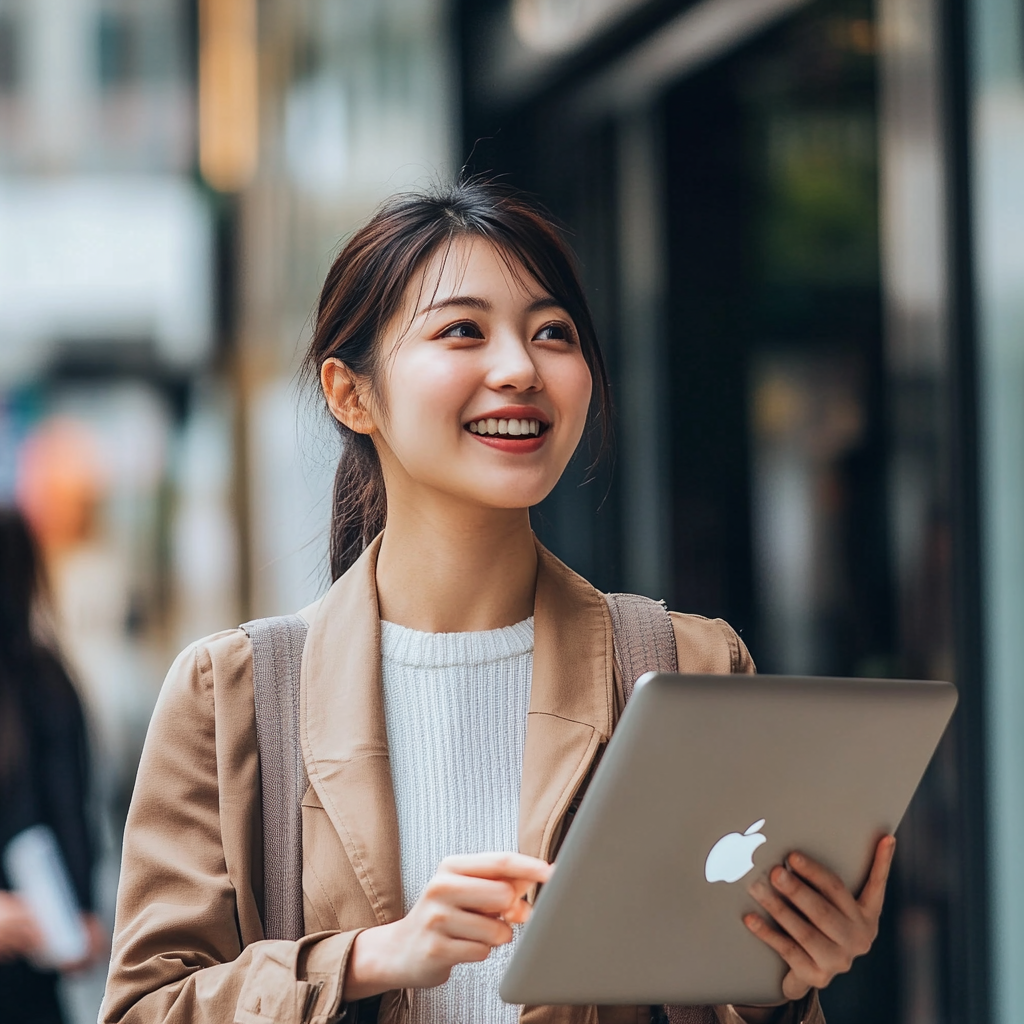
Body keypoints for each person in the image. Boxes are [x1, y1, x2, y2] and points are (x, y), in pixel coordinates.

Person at [100, 181, 894, 1024]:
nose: (519, 368)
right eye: (462, 332)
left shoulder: (689, 665)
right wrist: (368, 959)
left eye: (553, 333)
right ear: (350, 394)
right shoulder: (234, 697)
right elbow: (146, 1006)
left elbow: (734, 992)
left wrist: (783, 985)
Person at [0, 507, 105, 1023]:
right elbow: (74, 808)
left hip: (31, 962)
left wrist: (76, 912)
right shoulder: (49, 678)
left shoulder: (43, 683)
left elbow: (70, 804)